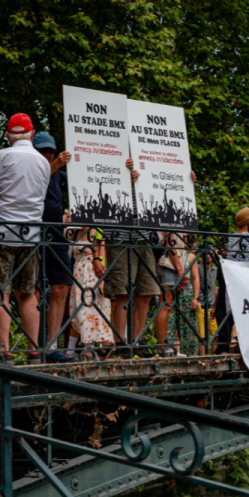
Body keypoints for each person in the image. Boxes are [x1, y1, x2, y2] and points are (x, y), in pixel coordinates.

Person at [0, 113, 50, 365]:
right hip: (30, 235)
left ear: (8, 134)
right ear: (32, 134)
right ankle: (34, 351)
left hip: (1, 232)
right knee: (28, 293)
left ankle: (5, 351)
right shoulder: (43, 162)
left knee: (0, 293)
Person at [102, 159, 156, 359]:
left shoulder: (149, 158)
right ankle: (119, 343)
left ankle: (137, 341)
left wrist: (185, 181)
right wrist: (123, 181)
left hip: (144, 236)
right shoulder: (111, 155)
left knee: (146, 292)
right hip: (119, 234)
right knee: (122, 292)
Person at [32, 132, 73, 357]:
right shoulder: (33, 168)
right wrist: (55, 164)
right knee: (34, 288)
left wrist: (128, 175)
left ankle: (52, 345)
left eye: (51, 151)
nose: (47, 155)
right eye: (43, 151)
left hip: (56, 234)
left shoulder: (59, 174)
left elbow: (89, 181)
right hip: (34, 233)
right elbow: (33, 183)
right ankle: (35, 346)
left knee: (62, 286)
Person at [68, 227, 114, 360]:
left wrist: (102, 280)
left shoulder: (97, 230)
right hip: (78, 275)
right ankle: (78, 349)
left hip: (93, 273)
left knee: (93, 311)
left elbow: (102, 253)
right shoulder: (74, 232)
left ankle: (92, 348)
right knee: (79, 310)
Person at [214, 207, 249, 354]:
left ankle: (223, 346)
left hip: (228, 274)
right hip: (244, 276)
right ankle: (243, 344)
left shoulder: (229, 237)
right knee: (245, 309)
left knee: (223, 309)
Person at [155, 232, 199, 357]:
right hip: (169, 264)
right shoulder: (170, 217)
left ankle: (164, 347)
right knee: (166, 305)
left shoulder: (189, 254)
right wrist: (180, 269)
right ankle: (163, 347)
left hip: (171, 264)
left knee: (166, 306)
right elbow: (169, 242)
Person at [195, 251, 219, 354]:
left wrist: (216, 304)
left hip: (212, 305)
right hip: (201, 304)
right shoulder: (198, 268)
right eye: (205, 253)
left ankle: (214, 360)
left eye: (210, 253)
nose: (208, 256)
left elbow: (215, 287)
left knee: (216, 335)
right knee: (202, 337)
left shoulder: (216, 269)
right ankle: (203, 362)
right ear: (201, 255)